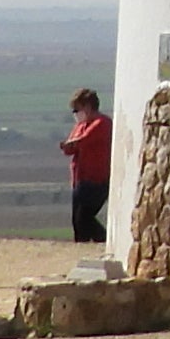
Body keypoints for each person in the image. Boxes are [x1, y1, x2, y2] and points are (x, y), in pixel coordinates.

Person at [64, 87, 115, 248]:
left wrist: (72, 144)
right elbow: (70, 147)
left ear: (87, 106)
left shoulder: (102, 123)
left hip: (96, 180)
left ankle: (105, 242)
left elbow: (82, 141)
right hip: (80, 178)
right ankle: (84, 248)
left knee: (84, 217)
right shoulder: (81, 126)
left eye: (77, 109)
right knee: (78, 220)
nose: (76, 114)